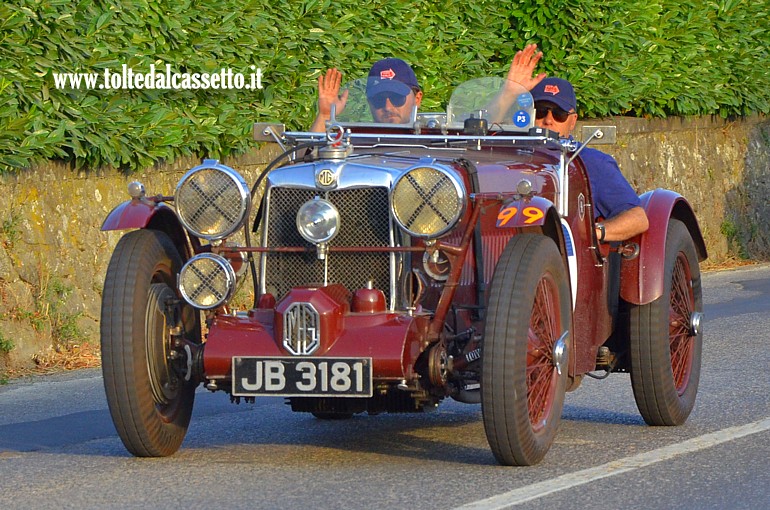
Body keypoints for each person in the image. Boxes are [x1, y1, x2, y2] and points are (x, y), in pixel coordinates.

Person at [504, 44, 649, 242]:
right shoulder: (507, 153)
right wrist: (509, 94)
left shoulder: (590, 162)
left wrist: (594, 233)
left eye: (559, 114)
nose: (548, 120)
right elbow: (478, 136)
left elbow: (637, 218)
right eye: (540, 111)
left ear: (572, 121)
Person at [310, 58, 423, 132]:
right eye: (378, 99)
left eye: (397, 98)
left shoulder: (434, 139)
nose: (388, 107)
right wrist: (325, 115)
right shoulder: (353, 138)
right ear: (369, 102)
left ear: (417, 99)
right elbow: (307, 158)